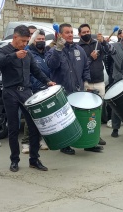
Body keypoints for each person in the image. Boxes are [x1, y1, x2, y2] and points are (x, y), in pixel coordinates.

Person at [0, 25, 56, 172]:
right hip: (10, 93)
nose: (24, 44)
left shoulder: (27, 54)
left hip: (26, 92)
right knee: (14, 128)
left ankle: (34, 159)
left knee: (34, 127)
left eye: (26, 41)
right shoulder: (3, 50)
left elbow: (36, 71)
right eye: (22, 41)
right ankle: (14, 160)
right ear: (15, 37)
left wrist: (48, 81)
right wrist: (14, 56)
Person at [45, 23, 91, 155]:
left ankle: (87, 143)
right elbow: (51, 65)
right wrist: (58, 49)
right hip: (62, 92)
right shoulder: (53, 50)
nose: (70, 34)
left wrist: (86, 82)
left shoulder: (79, 50)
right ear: (60, 35)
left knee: (81, 118)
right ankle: (65, 145)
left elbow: (86, 67)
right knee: (65, 122)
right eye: (67, 32)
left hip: (78, 91)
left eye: (71, 32)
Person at [78, 23, 114, 149]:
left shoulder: (97, 43)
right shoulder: (78, 47)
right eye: (84, 32)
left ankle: (96, 135)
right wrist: (90, 58)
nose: (86, 33)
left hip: (99, 81)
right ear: (79, 34)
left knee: (97, 112)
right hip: (86, 82)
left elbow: (110, 51)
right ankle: (86, 136)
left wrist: (103, 42)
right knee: (86, 112)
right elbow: (80, 65)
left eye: (88, 31)